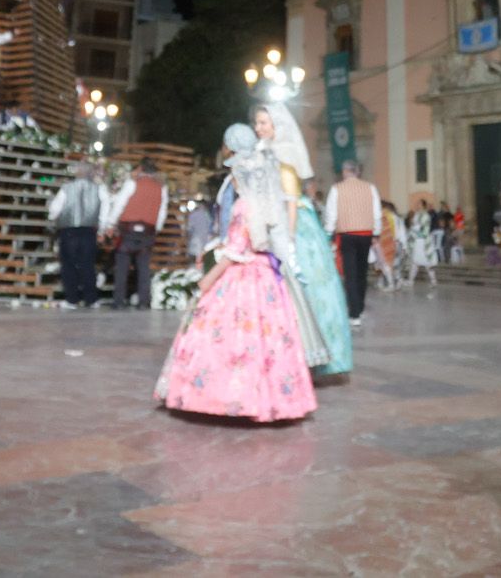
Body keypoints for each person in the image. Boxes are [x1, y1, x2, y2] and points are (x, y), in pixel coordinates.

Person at [154, 125, 316, 422]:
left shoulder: (243, 205)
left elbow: (235, 250)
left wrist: (209, 278)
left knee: (225, 337)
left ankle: (226, 398)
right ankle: (272, 399)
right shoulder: (267, 204)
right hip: (265, 275)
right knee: (267, 342)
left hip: (241, 275)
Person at [257, 104, 353, 374]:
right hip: (274, 220)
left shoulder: (283, 154)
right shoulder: (264, 151)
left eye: (264, 122)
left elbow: (289, 200)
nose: (259, 128)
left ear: (277, 126)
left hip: (292, 226)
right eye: (258, 123)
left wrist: (287, 240)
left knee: (301, 288)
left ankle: (306, 352)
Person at [102, 157, 167, 309]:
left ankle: (119, 301)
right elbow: (162, 211)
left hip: (128, 229)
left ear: (141, 169)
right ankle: (143, 302)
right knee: (144, 266)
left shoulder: (132, 184)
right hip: (148, 231)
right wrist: (156, 228)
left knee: (122, 265)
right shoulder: (161, 188)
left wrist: (110, 224)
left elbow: (120, 204)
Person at [323, 160, 381, 326]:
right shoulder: (370, 188)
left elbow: (331, 214)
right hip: (365, 234)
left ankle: (354, 313)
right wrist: (376, 231)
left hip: (347, 234)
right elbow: (376, 212)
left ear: (344, 171)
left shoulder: (336, 189)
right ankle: (360, 308)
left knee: (350, 273)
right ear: (357, 172)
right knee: (362, 272)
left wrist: (329, 233)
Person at [48, 160, 102, 308]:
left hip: (69, 230)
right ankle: (91, 299)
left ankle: (72, 299)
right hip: (89, 230)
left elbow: (54, 209)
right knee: (88, 265)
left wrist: (54, 220)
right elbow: (104, 209)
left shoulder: (67, 188)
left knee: (69, 265)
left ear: (77, 172)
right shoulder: (98, 189)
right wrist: (102, 228)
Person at [402, 200, 440, 290]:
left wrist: (414, 231)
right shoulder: (417, 214)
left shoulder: (425, 215)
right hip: (417, 242)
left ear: (423, 205)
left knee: (427, 262)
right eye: (417, 204)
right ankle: (410, 281)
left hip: (423, 242)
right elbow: (415, 226)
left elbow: (424, 230)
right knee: (415, 262)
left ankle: (433, 281)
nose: (417, 205)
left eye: (419, 204)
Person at [374, 198, 401, 291]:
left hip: (384, 242)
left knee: (385, 264)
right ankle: (384, 283)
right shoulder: (389, 215)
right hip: (389, 242)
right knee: (384, 264)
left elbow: (382, 229)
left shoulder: (384, 215)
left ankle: (391, 284)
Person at [184, 196, 215, 262]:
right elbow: (210, 226)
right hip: (204, 239)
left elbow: (189, 228)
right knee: (201, 257)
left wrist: (187, 236)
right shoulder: (206, 214)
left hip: (196, 238)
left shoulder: (193, 214)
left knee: (195, 257)